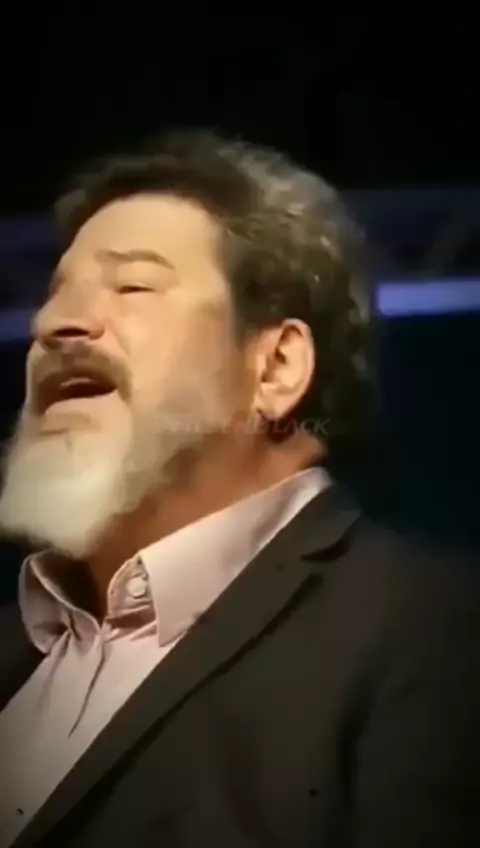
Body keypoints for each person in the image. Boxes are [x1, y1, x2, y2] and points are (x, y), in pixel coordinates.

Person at [0, 130, 478, 848]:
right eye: (54, 292)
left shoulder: (437, 635)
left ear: (276, 368)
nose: (52, 324)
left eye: (132, 286)